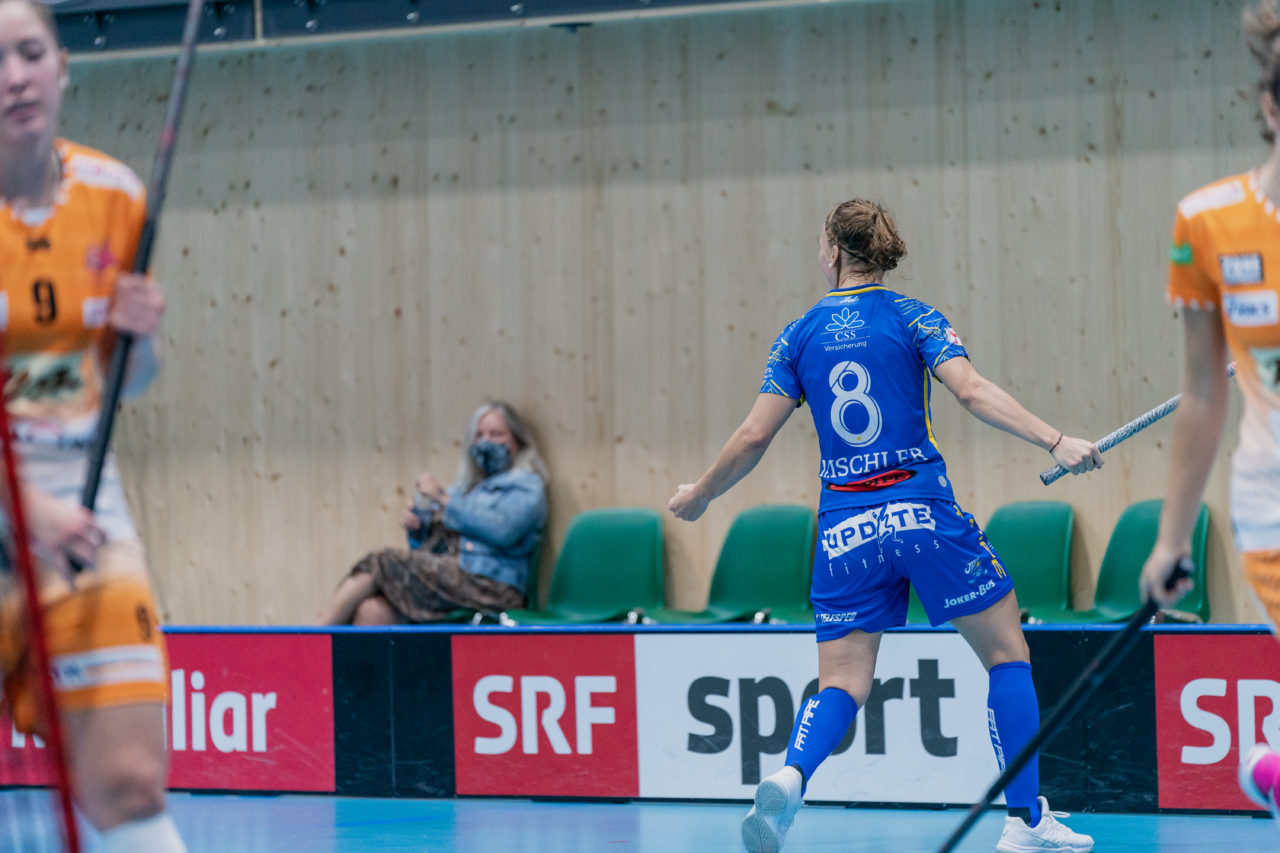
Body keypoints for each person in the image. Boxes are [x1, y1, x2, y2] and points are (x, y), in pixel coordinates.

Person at [669, 198, 1101, 853]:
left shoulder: (799, 334)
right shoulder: (914, 316)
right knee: (1007, 654)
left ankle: (792, 773)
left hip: (844, 527)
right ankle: (1023, 820)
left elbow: (755, 434)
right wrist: (1056, 439)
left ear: (835, 253)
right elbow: (973, 391)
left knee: (842, 680)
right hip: (921, 511)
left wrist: (701, 492)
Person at [0, 0, 186, 849]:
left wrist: (138, 338)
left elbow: (125, 383)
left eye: (29, 53)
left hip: (81, 493)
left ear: (62, 63)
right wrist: (24, 519)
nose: (13, 79)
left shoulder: (116, 196)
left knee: (129, 782)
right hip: (13, 507)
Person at [1139, 0, 1280, 821]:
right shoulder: (1209, 222)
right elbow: (1202, 392)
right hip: (1272, 499)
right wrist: (1169, 538)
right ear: (1270, 109)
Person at [320, 401, 549, 625]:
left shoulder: (526, 486)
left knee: (381, 560)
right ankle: (341, 662)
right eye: (479, 435)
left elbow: (504, 530)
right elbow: (428, 554)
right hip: (451, 584)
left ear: (518, 441)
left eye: (496, 434)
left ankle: (311, 644)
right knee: (372, 610)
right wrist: (418, 531)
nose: (485, 442)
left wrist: (443, 500)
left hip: (492, 587)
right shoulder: (463, 490)